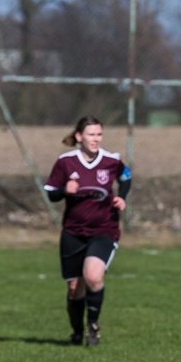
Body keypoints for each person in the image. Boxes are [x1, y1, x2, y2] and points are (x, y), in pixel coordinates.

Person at [43, 116, 130, 346]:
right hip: (73, 232)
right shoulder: (65, 162)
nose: (96, 139)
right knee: (74, 288)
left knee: (93, 276)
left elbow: (126, 176)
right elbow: (51, 193)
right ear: (79, 136)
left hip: (104, 229)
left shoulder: (111, 160)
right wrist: (64, 190)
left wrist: (122, 196)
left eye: (99, 134)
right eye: (91, 134)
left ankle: (93, 325)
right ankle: (77, 331)